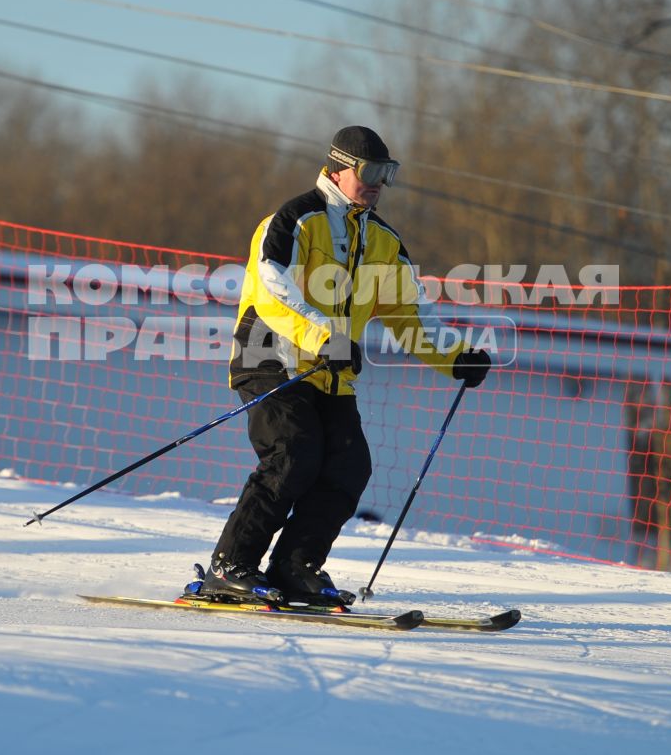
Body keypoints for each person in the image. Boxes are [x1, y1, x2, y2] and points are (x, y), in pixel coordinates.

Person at [205, 125, 491, 605]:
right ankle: (230, 565)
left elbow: (410, 314)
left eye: (388, 173)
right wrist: (327, 337)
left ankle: (295, 568)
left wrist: (454, 355)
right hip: (269, 355)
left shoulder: (382, 240)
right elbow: (274, 293)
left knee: (348, 467)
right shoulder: (295, 219)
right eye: (372, 171)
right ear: (339, 167)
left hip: (330, 372)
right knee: (292, 455)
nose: (379, 182)